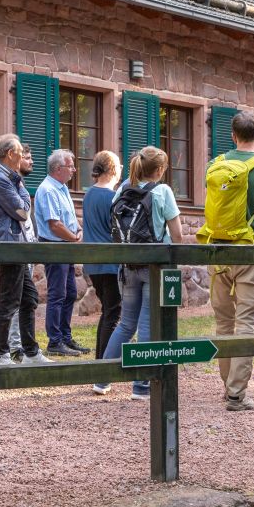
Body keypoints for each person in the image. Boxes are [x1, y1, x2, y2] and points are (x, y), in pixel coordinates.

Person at [197, 111, 254, 412]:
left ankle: (227, 386)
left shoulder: (214, 165)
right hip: (249, 250)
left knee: (223, 322)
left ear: (232, 135)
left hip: (217, 250)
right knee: (246, 321)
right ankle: (236, 394)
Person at [100, 146, 183, 400]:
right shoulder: (163, 191)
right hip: (153, 266)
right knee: (147, 324)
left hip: (127, 266)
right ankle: (141, 386)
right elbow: (177, 234)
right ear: (159, 170)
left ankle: (101, 378)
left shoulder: (122, 191)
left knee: (125, 323)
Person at [0, 134, 49, 366]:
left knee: (29, 298)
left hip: (16, 245)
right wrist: (20, 186)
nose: (23, 158)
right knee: (9, 301)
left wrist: (18, 184)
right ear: (11, 154)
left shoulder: (6, 176)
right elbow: (22, 211)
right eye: (21, 153)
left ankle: (30, 353)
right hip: (9, 246)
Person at [34, 149, 91, 357]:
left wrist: (78, 230)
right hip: (55, 246)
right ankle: (55, 341)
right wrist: (73, 237)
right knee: (57, 294)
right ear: (59, 168)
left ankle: (65, 337)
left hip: (66, 245)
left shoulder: (62, 187)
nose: (74, 170)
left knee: (70, 293)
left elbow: (68, 217)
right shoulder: (48, 190)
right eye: (71, 166)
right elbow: (54, 225)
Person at [81, 151, 123, 393]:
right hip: (110, 263)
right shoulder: (111, 197)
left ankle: (100, 363)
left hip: (94, 264)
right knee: (113, 314)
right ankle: (104, 368)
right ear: (112, 170)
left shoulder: (89, 194)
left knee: (108, 313)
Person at [8, 145, 44, 362]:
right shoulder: (11, 184)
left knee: (26, 299)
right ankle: (15, 345)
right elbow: (22, 212)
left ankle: (21, 344)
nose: (31, 162)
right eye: (27, 158)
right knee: (16, 300)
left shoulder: (19, 184)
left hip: (27, 246)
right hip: (17, 248)